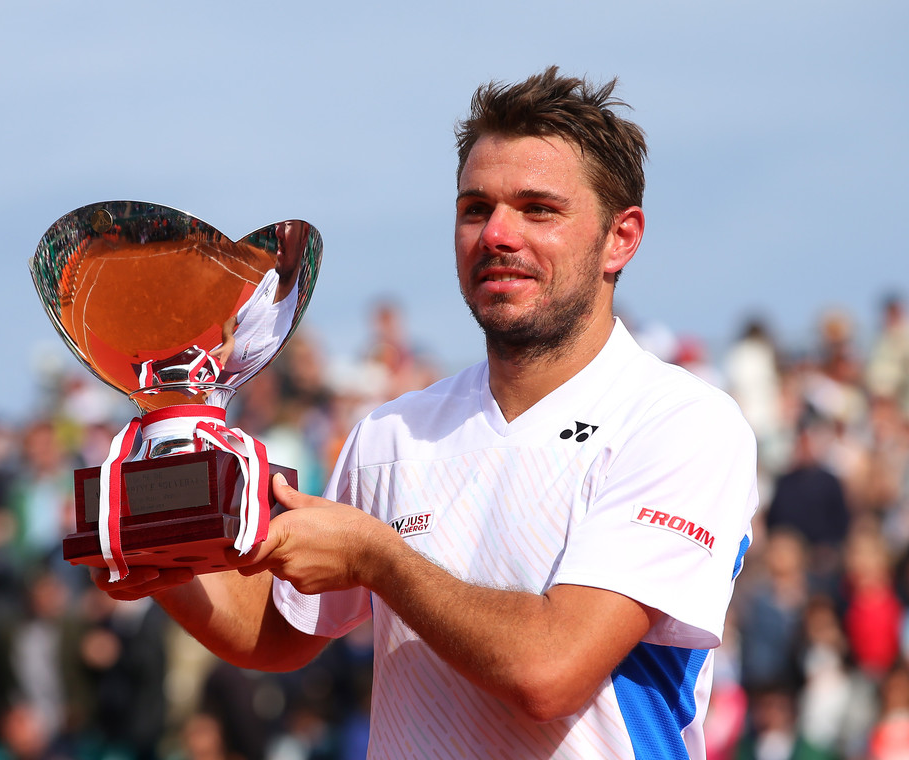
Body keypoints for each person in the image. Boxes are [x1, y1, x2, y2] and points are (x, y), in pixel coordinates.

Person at [94, 67, 758, 759]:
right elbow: (277, 631)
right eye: (475, 208)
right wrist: (160, 546)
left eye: (538, 209)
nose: (497, 233)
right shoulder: (392, 432)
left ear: (620, 238)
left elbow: (551, 671)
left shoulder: (681, 423)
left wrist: (380, 560)